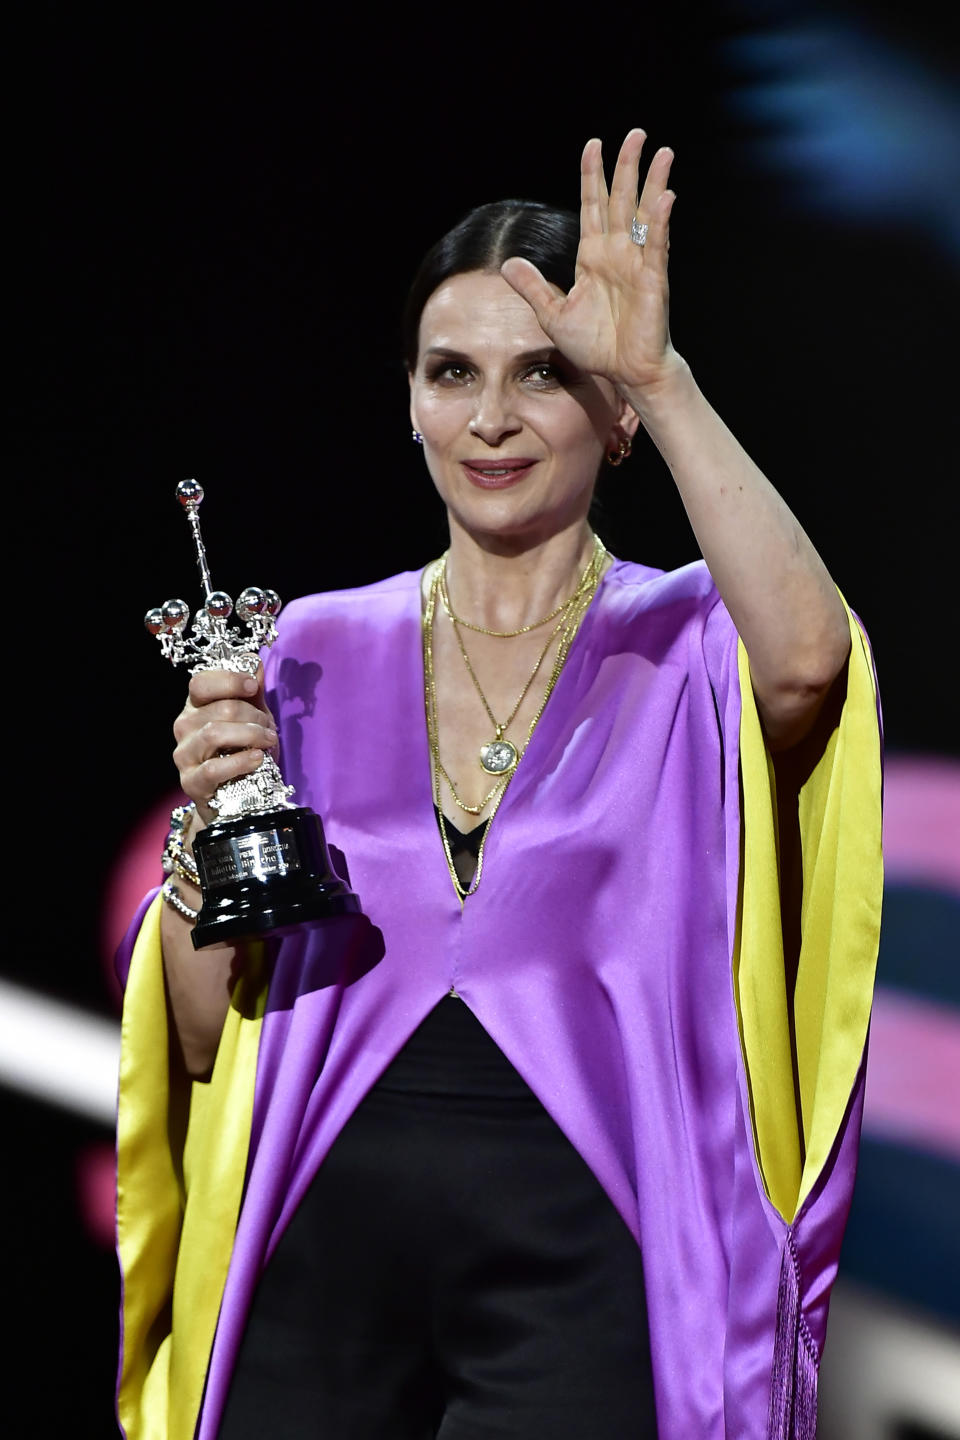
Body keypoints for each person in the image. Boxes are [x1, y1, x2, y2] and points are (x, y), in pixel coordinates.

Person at [114, 130, 882, 1440]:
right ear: (408, 400)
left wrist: (662, 370)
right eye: (451, 374)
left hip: (584, 1266)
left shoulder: (691, 636)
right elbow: (200, 1035)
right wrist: (205, 841)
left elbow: (811, 668)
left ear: (613, 414)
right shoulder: (304, 649)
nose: (492, 418)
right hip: (317, 1253)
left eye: (546, 375)